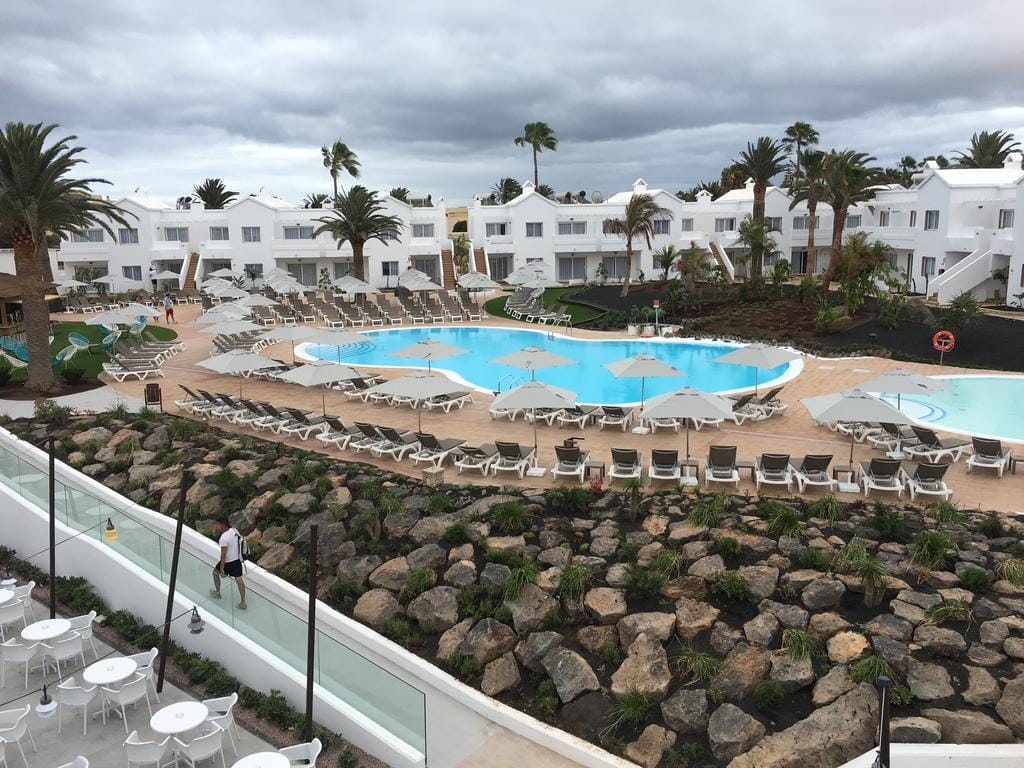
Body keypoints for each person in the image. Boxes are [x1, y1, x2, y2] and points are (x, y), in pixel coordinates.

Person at [210, 516, 246, 609]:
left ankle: (218, 593)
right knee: (239, 580)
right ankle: (243, 602)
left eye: (217, 525)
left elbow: (223, 555)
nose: (216, 527)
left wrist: (222, 568)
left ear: (223, 525)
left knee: (215, 573)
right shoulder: (234, 530)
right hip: (237, 560)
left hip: (228, 562)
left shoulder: (223, 538)